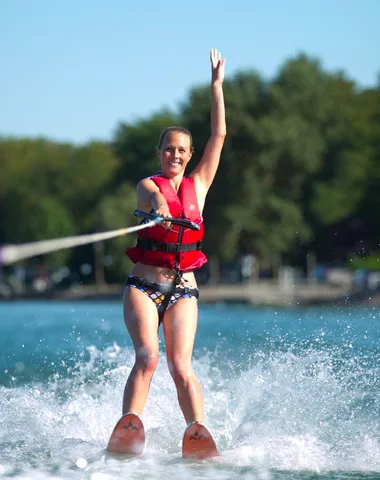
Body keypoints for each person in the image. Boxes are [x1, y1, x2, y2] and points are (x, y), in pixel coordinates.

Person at [122, 48, 226, 428]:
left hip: (183, 288)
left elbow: (219, 133)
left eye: (182, 150)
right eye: (169, 149)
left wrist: (216, 87)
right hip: (144, 284)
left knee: (181, 365)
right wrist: (160, 210)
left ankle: (197, 431)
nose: (175, 155)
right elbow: (152, 198)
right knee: (148, 356)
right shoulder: (149, 185)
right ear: (160, 152)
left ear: (190, 154)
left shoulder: (199, 184)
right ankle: (130, 424)